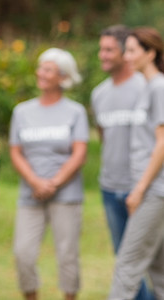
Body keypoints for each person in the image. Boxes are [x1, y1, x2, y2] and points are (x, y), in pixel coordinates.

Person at [9, 48, 88, 300]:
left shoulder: (75, 111)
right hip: (30, 194)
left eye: (48, 69)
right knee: (23, 253)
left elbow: (79, 153)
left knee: (67, 255)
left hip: (66, 195)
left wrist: (53, 183)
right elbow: (15, 151)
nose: (41, 73)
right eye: (41, 67)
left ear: (63, 77)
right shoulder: (22, 111)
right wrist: (35, 182)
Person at [91, 25, 152, 300]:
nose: (102, 55)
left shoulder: (146, 87)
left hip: (143, 189)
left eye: (109, 50)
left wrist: (142, 186)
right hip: (110, 188)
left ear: (125, 53)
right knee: (123, 259)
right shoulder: (99, 94)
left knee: (143, 262)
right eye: (101, 49)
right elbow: (105, 136)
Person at [109, 27, 164, 300]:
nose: (126, 56)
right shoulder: (148, 87)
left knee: (127, 266)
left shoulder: (160, 87)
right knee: (159, 268)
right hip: (150, 189)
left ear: (151, 53)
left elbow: (163, 142)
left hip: (155, 191)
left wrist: (140, 189)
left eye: (132, 50)